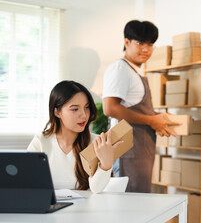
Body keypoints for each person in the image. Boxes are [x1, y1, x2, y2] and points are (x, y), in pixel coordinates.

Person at [102, 20, 177, 193]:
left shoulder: (135, 71)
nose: (146, 49)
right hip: (128, 147)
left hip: (140, 148)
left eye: (150, 44)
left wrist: (156, 115)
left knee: (140, 198)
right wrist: (151, 120)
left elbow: (132, 107)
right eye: (140, 43)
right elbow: (110, 108)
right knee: (129, 202)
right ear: (126, 42)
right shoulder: (120, 68)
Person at [27, 80, 119, 194]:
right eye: (75, 109)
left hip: (86, 209)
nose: (84, 115)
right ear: (57, 112)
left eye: (87, 107)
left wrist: (106, 165)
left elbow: (96, 189)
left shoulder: (97, 142)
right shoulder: (41, 141)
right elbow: (26, 181)